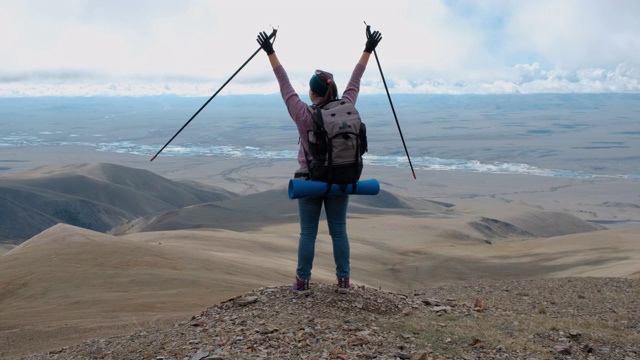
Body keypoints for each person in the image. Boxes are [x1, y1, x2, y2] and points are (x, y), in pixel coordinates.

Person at [256, 27, 382, 296]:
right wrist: (368, 49)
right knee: (339, 231)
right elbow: (354, 82)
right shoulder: (346, 106)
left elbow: (285, 85)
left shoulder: (304, 115)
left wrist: (270, 52)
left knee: (308, 234)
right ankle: (344, 282)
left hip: (310, 181)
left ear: (313, 94)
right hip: (341, 179)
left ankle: (303, 283)